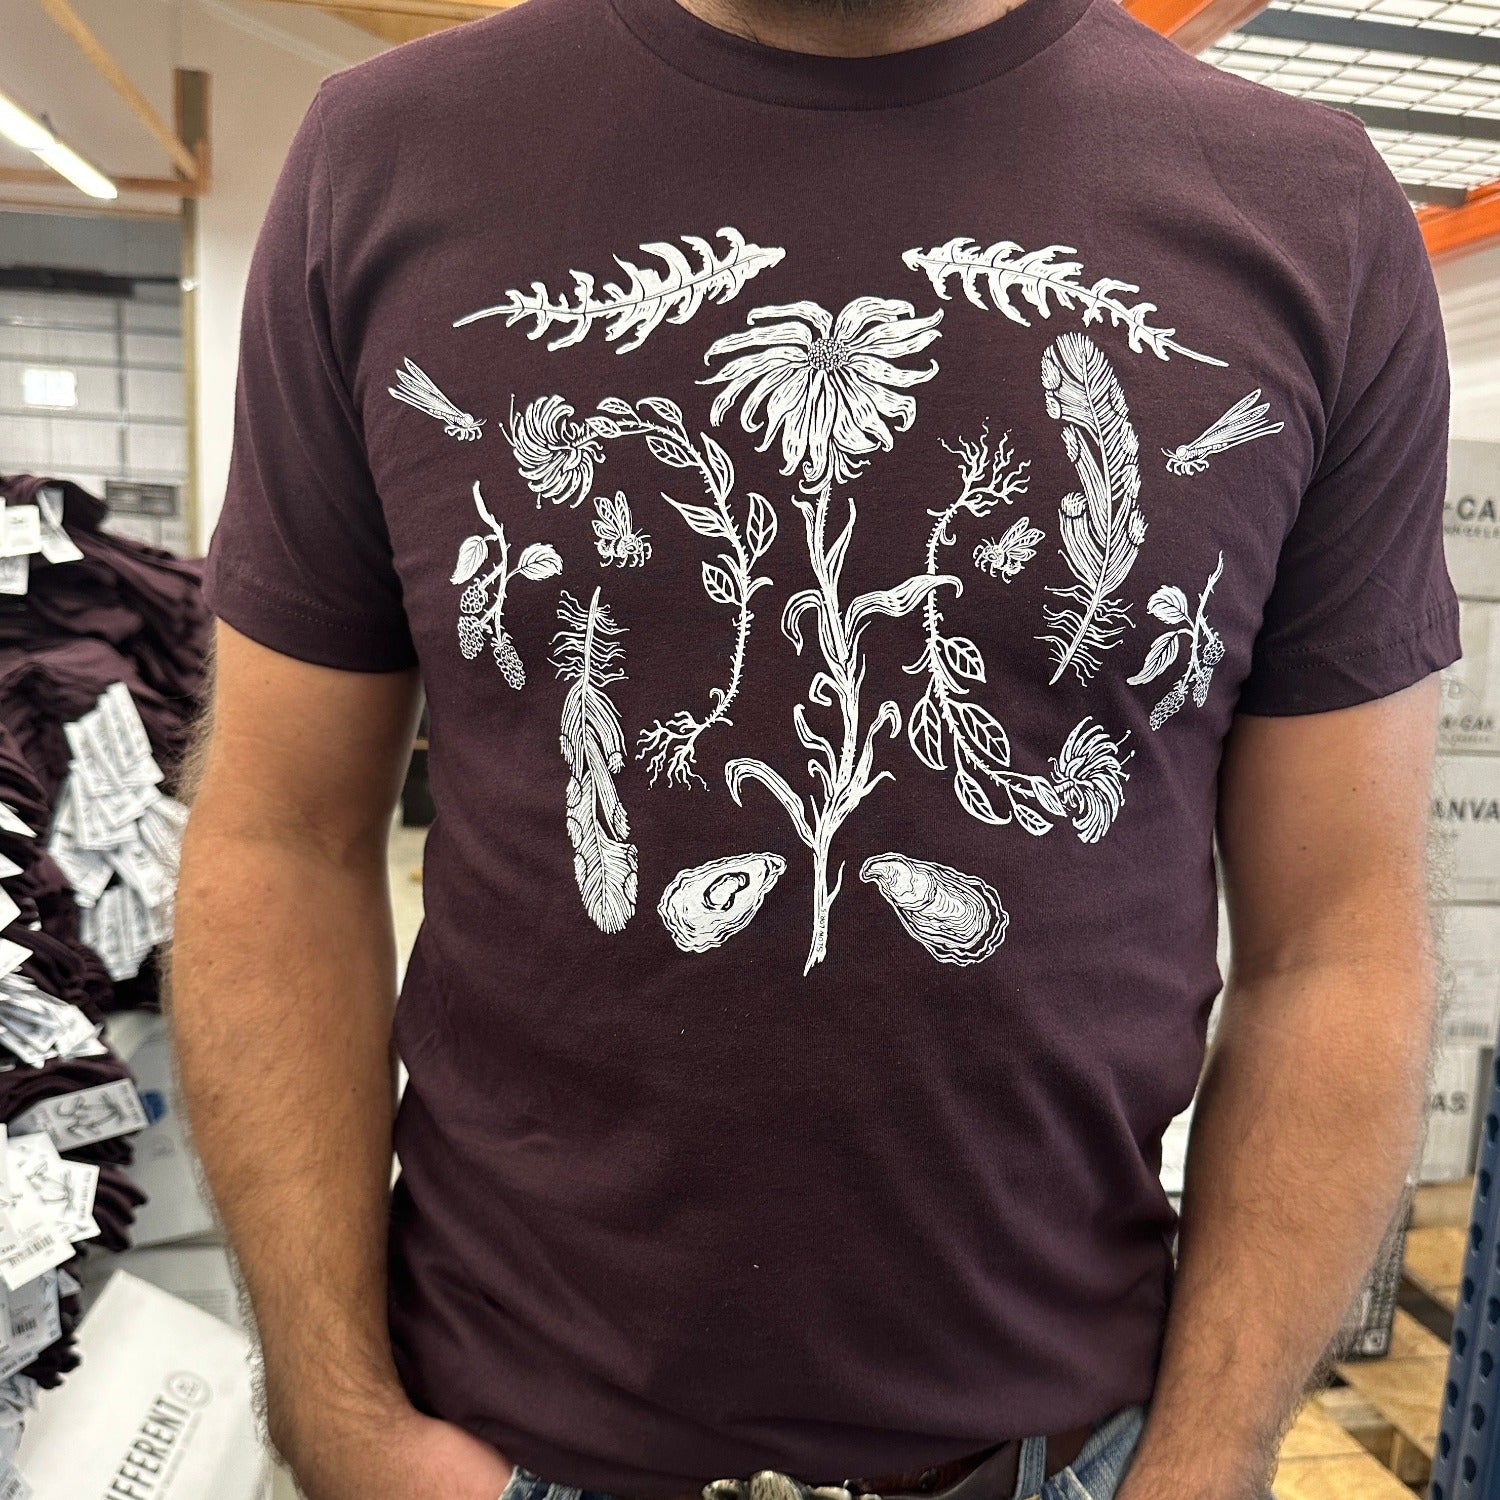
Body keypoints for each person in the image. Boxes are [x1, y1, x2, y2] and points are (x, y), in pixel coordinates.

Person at [171, 0, 1460, 1494]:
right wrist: (335, 1418)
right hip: (498, 1446)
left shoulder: (1310, 213)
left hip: (1075, 1460)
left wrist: (1213, 1454)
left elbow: (1341, 938)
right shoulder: (384, 158)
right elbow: (278, 834)